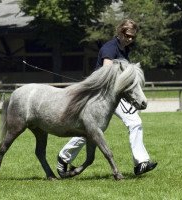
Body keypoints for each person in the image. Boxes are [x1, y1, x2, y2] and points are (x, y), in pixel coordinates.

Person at [57, 19, 157, 176]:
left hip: (117, 96)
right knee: (91, 132)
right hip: (102, 96)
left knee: (134, 122)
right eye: (127, 35)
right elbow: (107, 72)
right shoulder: (109, 49)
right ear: (120, 32)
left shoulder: (125, 50)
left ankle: (141, 163)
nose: (130, 39)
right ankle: (63, 157)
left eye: (133, 37)